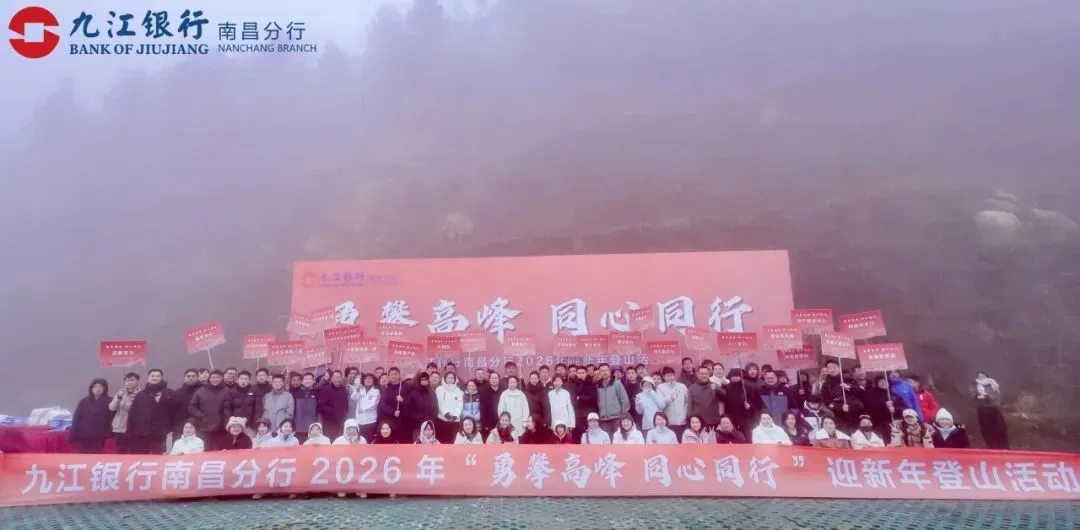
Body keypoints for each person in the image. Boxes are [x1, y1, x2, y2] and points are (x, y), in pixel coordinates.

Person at [127, 368, 173, 454]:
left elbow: (174, 413)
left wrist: (170, 429)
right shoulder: (140, 395)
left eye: (157, 376)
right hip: (142, 433)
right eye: (152, 376)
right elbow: (132, 415)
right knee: (141, 457)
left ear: (161, 378)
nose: (154, 378)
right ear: (148, 378)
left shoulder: (169, 393)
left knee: (158, 457)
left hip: (161, 434)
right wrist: (130, 431)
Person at [188, 370, 229, 450]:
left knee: (221, 450)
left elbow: (230, 407)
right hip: (205, 427)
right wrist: (201, 415)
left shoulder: (226, 391)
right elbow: (191, 407)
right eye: (213, 377)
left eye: (218, 377)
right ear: (209, 379)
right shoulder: (201, 391)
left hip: (221, 427)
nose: (215, 379)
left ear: (222, 378)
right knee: (206, 450)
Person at [70, 378, 113, 454]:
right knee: (82, 456)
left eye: (100, 386)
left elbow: (113, 418)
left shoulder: (110, 401)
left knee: (96, 456)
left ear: (105, 388)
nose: (97, 389)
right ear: (91, 388)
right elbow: (76, 418)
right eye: (95, 387)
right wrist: (73, 434)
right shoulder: (84, 401)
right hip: (84, 435)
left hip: (101, 436)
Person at [971, 372, 1009, 449]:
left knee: (999, 428)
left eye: (983, 376)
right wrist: (977, 397)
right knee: (986, 430)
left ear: (986, 376)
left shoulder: (992, 384)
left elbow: (997, 396)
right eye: (979, 376)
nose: (981, 377)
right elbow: (972, 396)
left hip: (994, 409)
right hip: (983, 411)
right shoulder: (975, 386)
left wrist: (986, 396)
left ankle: (1003, 446)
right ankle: (991, 446)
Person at [722, 369, 763, 437]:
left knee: (748, 436)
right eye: (733, 376)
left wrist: (750, 406)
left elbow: (754, 401)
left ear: (741, 376)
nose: (735, 378)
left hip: (745, 417)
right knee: (734, 437)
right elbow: (723, 402)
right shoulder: (726, 387)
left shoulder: (746, 387)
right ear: (730, 377)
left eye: (737, 376)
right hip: (731, 417)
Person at [595, 364, 630, 434]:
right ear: (599, 372)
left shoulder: (616, 383)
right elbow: (597, 401)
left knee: (618, 439)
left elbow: (624, 399)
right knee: (606, 439)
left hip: (617, 418)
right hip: (603, 419)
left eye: (606, 370)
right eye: (602, 371)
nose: (604, 372)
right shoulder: (597, 385)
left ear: (609, 371)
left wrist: (623, 414)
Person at [110, 372, 140, 453]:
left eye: (132, 380)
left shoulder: (141, 394)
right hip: (120, 428)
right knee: (120, 451)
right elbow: (111, 408)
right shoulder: (121, 393)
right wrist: (118, 397)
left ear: (137, 381)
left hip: (134, 428)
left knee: (133, 451)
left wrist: (124, 403)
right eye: (127, 380)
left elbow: (133, 410)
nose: (130, 382)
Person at [404, 372, 439, 441]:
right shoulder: (413, 393)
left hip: (430, 425)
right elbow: (409, 410)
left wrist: (432, 418)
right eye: (422, 379)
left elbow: (436, 408)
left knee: (429, 444)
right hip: (418, 425)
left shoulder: (432, 393)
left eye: (426, 379)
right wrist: (419, 418)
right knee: (418, 444)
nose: (424, 381)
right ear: (419, 381)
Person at [170, 369, 201, 447]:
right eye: (188, 376)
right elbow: (172, 411)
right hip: (179, 427)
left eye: (193, 376)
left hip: (199, 426)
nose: (191, 378)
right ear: (184, 378)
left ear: (198, 378)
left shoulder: (203, 391)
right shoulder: (177, 393)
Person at [225, 371, 260, 437]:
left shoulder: (254, 391)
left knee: (249, 442)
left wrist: (253, 423)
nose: (243, 381)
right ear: (237, 380)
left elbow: (257, 409)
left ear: (249, 380)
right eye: (241, 379)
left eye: (246, 379)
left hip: (249, 425)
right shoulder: (231, 392)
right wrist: (231, 420)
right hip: (235, 425)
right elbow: (227, 408)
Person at [316, 370, 349, 440]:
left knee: (339, 441)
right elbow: (320, 406)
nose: (337, 379)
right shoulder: (326, 389)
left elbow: (345, 403)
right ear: (332, 378)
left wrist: (345, 412)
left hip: (341, 421)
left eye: (339, 377)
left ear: (341, 378)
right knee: (330, 441)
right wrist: (332, 411)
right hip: (329, 422)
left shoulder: (343, 389)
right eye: (335, 377)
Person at [657, 366, 689, 438]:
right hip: (669, 421)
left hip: (682, 420)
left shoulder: (682, 386)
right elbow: (661, 404)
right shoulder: (660, 387)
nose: (670, 377)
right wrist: (670, 398)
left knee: (681, 440)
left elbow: (687, 401)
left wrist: (685, 413)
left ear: (674, 375)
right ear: (664, 377)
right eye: (667, 376)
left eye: (671, 375)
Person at [377, 367, 406, 441]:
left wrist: (403, 400)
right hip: (389, 419)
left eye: (395, 374)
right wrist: (393, 412)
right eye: (391, 374)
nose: (393, 376)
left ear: (399, 375)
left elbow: (410, 403)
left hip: (403, 419)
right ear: (389, 376)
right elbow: (383, 405)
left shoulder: (405, 386)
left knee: (401, 439)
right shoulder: (386, 388)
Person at [350, 373, 380, 442]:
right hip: (359, 419)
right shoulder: (360, 389)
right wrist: (357, 390)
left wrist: (363, 410)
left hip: (370, 420)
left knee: (368, 440)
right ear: (363, 380)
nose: (368, 380)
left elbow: (374, 404)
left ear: (373, 380)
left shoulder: (376, 391)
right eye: (366, 378)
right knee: (359, 440)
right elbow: (353, 398)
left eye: (370, 378)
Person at [435, 372, 464, 444]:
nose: (451, 379)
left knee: (454, 441)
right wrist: (446, 414)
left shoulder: (458, 390)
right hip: (442, 419)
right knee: (443, 442)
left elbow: (460, 404)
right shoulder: (440, 389)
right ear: (445, 379)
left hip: (455, 421)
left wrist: (455, 416)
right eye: (449, 378)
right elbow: (440, 402)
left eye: (452, 378)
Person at [572, 367, 598, 441]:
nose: (581, 375)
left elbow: (593, 397)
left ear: (586, 373)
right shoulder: (573, 384)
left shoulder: (591, 384)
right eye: (579, 373)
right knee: (578, 435)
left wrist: (580, 398)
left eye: (583, 373)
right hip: (577, 414)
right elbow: (573, 398)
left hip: (589, 413)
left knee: (590, 434)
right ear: (576, 374)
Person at [479, 371, 504, 439]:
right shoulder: (483, 391)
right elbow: (482, 409)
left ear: (499, 379)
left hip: (501, 422)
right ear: (489, 380)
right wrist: (484, 425)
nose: (494, 380)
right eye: (492, 378)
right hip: (488, 424)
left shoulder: (503, 391)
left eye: (496, 378)